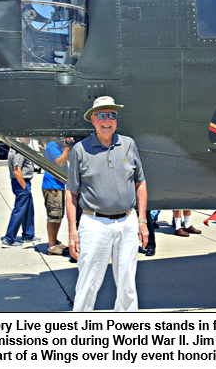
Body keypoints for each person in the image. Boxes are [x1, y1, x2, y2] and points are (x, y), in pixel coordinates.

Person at [66, 96, 148, 312]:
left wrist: (142, 221)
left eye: (112, 115)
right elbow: (71, 192)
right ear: (92, 119)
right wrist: (73, 231)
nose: (107, 120)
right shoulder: (80, 150)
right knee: (88, 283)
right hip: (94, 223)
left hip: (127, 222)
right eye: (101, 115)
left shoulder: (128, 144)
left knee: (127, 282)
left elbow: (140, 183)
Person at [1, 138, 40, 247]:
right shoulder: (19, 151)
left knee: (29, 209)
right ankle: (9, 239)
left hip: (23, 182)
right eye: (26, 136)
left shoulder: (16, 148)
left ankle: (28, 235)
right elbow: (17, 170)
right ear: (19, 138)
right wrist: (24, 187)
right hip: (21, 182)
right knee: (19, 210)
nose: (29, 138)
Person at [42, 137, 74, 255]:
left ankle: (55, 241)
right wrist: (66, 148)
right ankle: (51, 246)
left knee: (58, 216)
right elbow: (60, 162)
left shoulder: (59, 146)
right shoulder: (52, 145)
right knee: (53, 216)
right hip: (52, 186)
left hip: (59, 185)